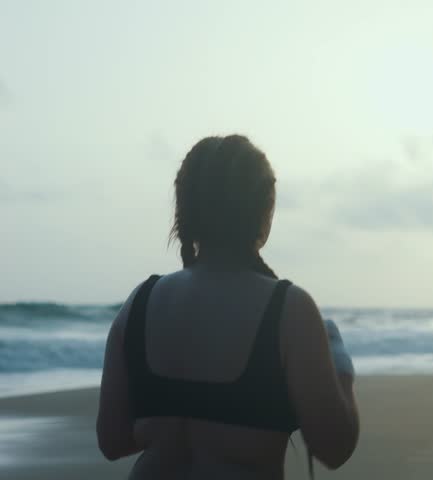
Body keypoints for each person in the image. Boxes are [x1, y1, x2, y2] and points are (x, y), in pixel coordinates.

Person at [96, 135, 359, 480]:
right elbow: (334, 446)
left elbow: (112, 440)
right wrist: (339, 365)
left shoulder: (140, 302)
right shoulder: (288, 310)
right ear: (264, 210)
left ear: (183, 210)